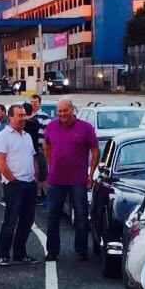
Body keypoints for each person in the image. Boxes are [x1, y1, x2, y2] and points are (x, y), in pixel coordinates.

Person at [40, 99, 98, 262]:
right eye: (59, 111)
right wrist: (52, 163)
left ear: (72, 110)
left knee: (81, 216)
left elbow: (95, 150)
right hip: (55, 180)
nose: (62, 114)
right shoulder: (51, 126)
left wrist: (91, 174)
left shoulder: (85, 128)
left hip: (78, 180)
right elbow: (46, 146)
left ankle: (81, 251)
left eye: (65, 110)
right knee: (52, 217)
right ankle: (52, 251)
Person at [0, 105, 39, 266]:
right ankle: (3, 254)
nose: (23, 118)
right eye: (20, 115)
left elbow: (33, 158)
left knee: (27, 221)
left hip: (29, 184)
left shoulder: (26, 136)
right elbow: (0, 161)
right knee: (11, 220)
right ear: (10, 117)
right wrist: (12, 180)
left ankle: (20, 253)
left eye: (24, 115)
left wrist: (35, 177)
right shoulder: (3, 136)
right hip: (14, 185)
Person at [25, 94, 48, 205]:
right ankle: (38, 195)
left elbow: (47, 132)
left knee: (41, 172)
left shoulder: (44, 116)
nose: (33, 104)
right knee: (34, 172)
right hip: (29, 149)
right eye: (32, 102)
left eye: (36, 102)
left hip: (39, 147)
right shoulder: (26, 117)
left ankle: (46, 195)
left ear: (40, 103)